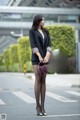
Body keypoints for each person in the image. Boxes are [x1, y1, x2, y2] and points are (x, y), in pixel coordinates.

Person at [29, 14, 52, 116]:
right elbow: (33, 45)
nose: (44, 21)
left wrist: (47, 56)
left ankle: (43, 106)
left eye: (44, 20)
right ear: (38, 21)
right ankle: (37, 106)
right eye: (42, 20)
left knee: (44, 79)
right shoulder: (32, 31)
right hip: (36, 58)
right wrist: (39, 56)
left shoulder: (46, 32)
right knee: (38, 78)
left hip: (45, 59)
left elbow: (49, 45)